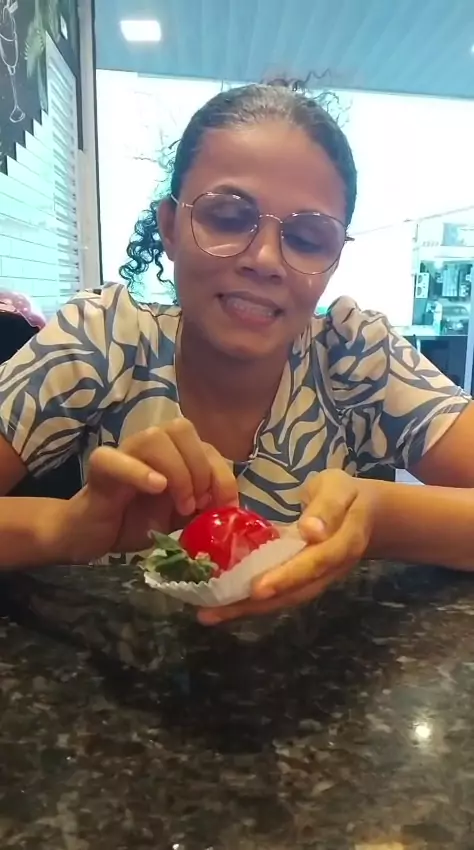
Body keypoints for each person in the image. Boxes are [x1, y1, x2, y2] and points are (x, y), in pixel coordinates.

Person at [0, 79, 474, 626]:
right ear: (170, 227)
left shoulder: (356, 357)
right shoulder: (103, 338)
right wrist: (64, 529)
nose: (266, 259)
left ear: (334, 260)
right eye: (227, 217)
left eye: (308, 239)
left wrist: (376, 516)